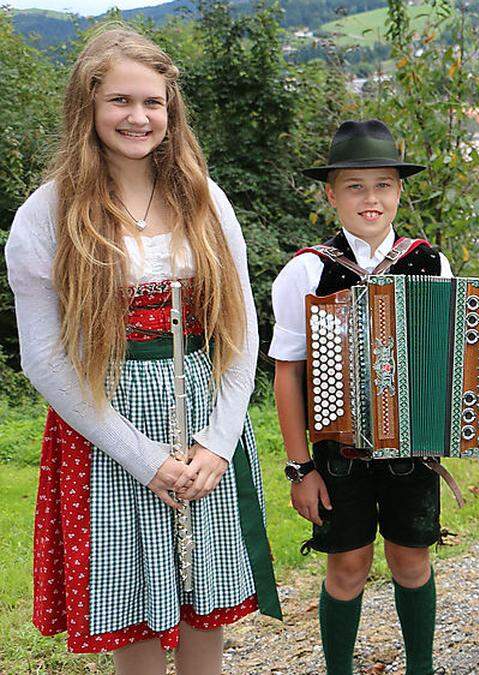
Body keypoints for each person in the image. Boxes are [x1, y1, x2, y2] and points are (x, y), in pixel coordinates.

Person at [5, 25, 280, 674]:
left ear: (171, 108)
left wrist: (219, 442)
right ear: (88, 107)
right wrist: (143, 457)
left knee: (202, 615)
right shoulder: (47, 215)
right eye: (120, 101)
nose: (138, 116)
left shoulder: (204, 200)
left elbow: (239, 332)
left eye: (152, 102)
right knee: (134, 614)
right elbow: (43, 359)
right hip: (109, 434)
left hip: (204, 429)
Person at [269, 119, 479, 675]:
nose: (370, 198)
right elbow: (288, 374)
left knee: (411, 561)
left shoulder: (430, 262)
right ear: (331, 194)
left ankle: (421, 669)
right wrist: (298, 467)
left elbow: (460, 359)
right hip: (339, 453)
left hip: (413, 451)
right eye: (355, 186)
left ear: (399, 191)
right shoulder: (308, 269)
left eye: (382, 184)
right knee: (348, 568)